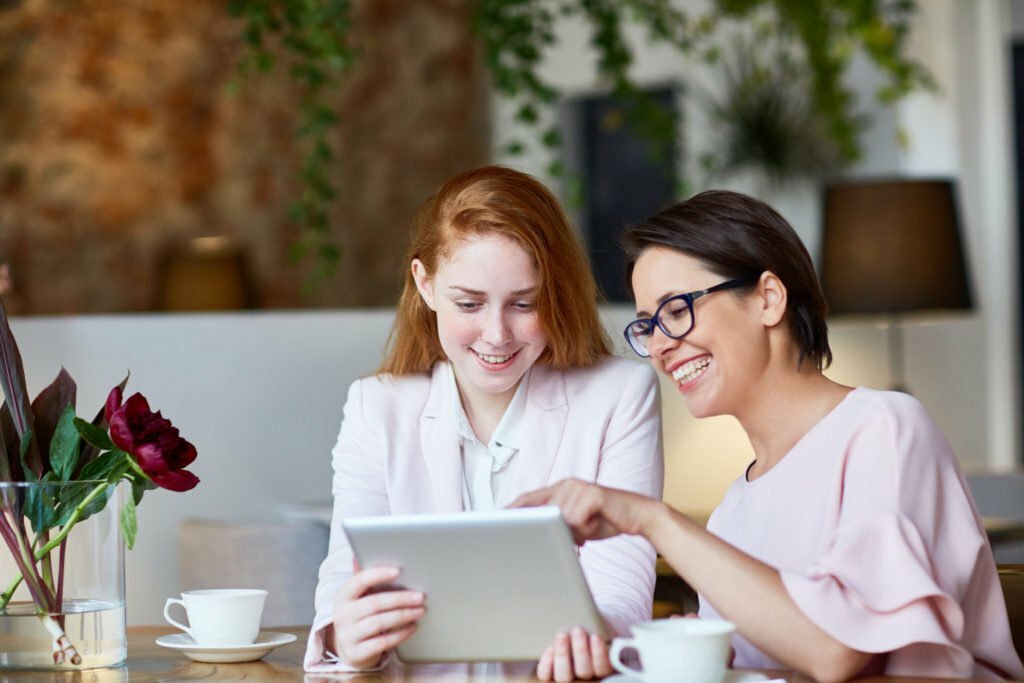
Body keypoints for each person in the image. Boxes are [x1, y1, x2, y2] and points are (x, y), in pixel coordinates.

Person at [514, 190, 1024, 681]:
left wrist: (652, 519)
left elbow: (834, 652)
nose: (660, 346)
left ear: (768, 299)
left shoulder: (883, 429)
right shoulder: (733, 511)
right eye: (648, 325)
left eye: (676, 311)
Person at [304, 166, 664, 680]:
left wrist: (596, 642)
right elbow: (345, 577)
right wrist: (348, 634)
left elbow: (623, 595)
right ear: (425, 286)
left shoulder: (619, 395)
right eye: (468, 303)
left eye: (525, 303)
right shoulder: (375, 406)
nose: (496, 334)